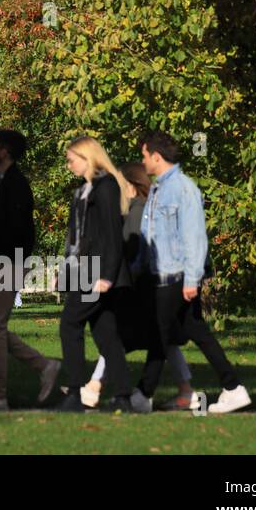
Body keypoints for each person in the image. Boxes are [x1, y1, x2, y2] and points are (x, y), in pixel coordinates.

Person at [136, 130, 251, 413]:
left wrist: (191, 279)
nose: (143, 161)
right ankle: (233, 388)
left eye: (144, 155)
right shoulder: (159, 189)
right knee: (197, 332)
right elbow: (150, 237)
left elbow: (194, 237)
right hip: (162, 275)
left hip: (176, 277)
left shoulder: (183, 188)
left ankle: (141, 395)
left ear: (156, 156)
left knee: (158, 336)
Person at [83, 162, 195, 411]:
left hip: (142, 289)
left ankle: (95, 386)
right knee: (164, 341)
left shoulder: (137, 212)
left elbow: (131, 251)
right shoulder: (142, 210)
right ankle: (185, 390)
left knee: (119, 336)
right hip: (151, 288)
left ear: (131, 187)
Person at [0, 130, 61, 411]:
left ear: (5, 151)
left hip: (7, 263)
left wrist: (4, 259)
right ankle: (43, 366)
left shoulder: (16, 185)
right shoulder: (4, 182)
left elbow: (21, 231)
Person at [55, 135, 137, 414]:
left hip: (98, 273)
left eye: (72, 160)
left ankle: (76, 392)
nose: (69, 166)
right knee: (106, 335)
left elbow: (112, 236)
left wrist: (107, 276)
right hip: (84, 270)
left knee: (69, 324)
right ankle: (124, 396)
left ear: (87, 157)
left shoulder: (106, 187)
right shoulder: (84, 189)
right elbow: (77, 238)